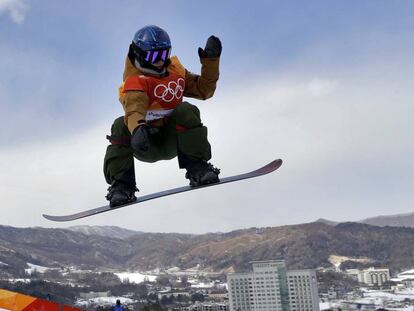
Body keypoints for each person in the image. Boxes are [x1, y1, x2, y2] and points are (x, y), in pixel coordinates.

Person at [104, 25, 222, 207]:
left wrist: (211, 62)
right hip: (144, 143)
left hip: (174, 140)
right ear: (140, 54)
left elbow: (204, 90)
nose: (159, 61)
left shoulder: (176, 73)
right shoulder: (135, 81)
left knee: (186, 109)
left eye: (163, 54)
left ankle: (198, 168)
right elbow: (134, 107)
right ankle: (122, 186)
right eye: (153, 56)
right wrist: (137, 129)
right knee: (120, 125)